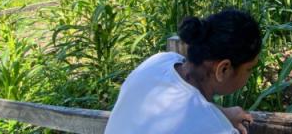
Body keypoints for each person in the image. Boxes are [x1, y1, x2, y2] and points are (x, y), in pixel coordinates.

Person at [105, 9, 262, 134]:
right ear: (223, 69)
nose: (249, 74)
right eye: (249, 69)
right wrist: (218, 118)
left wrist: (221, 113)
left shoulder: (158, 62)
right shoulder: (216, 129)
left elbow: (180, 106)